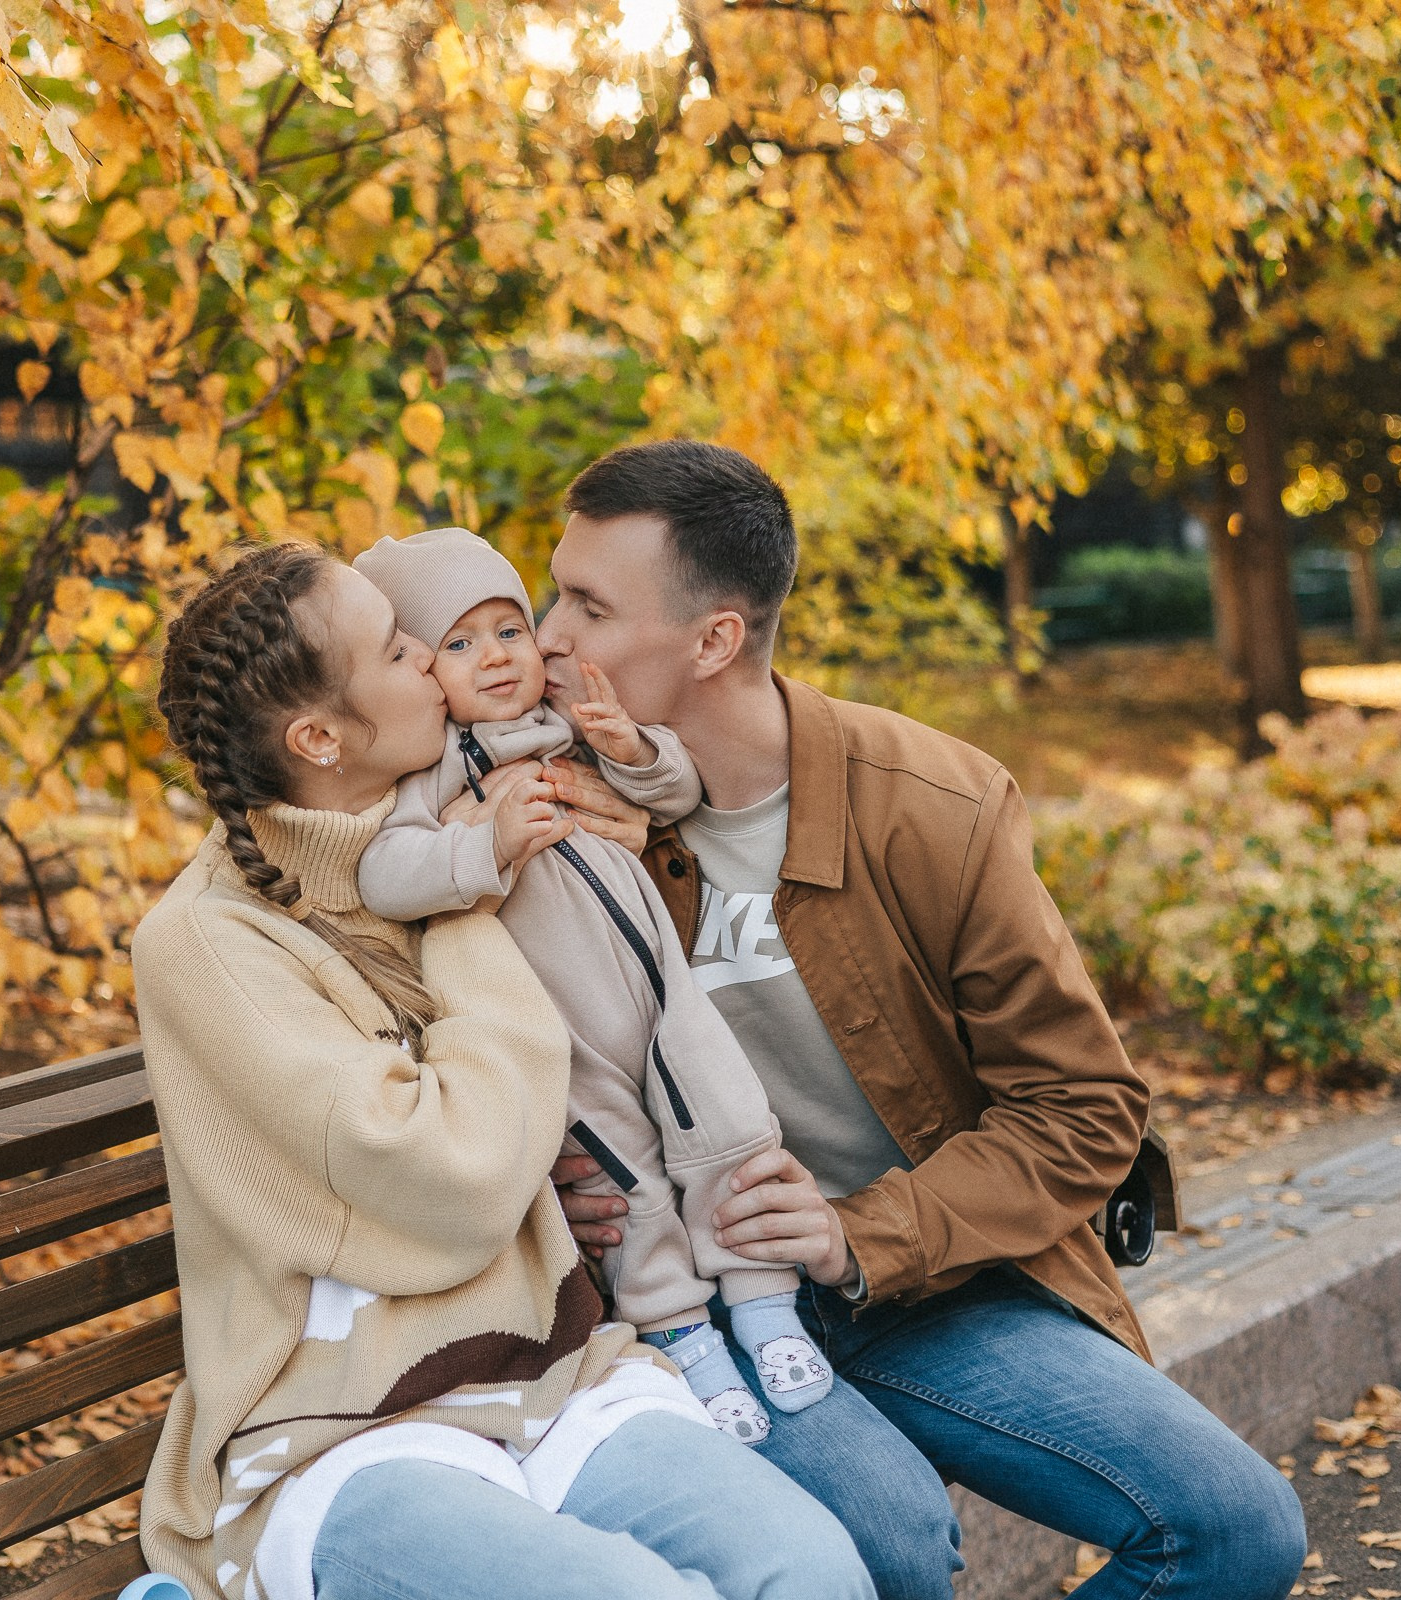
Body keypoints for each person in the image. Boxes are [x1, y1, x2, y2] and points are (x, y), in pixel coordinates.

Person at [532, 441, 1309, 1600]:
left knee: (1239, 1528)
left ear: (714, 639)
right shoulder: (539, 808)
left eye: (586, 605)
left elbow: (1084, 1108)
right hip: (690, 1312)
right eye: (553, 591)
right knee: (886, 1546)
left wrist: (862, 1237)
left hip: (919, 1281)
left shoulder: (932, 803)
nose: (546, 636)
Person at [131, 540, 875, 1600]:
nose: (438, 663)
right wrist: (467, 891)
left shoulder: (446, 828)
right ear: (319, 737)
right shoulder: (211, 940)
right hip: (351, 1423)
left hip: (556, 1369)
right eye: (400, 650)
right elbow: (456, 1168)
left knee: (814, 1576)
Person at [349, 525, 833, 1444]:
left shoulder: (570, 727)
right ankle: (686, 1336)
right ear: (420, 668)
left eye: (508, 630)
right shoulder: (440, 773)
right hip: (562, 1025)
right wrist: (482, 845)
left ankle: (767, 1307)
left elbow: (677, 793)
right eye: (457, 644)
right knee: (625, 1176)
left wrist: (632, 751)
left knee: (726, 1117)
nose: (495, 657)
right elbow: (387, 872)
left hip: (660, 987)